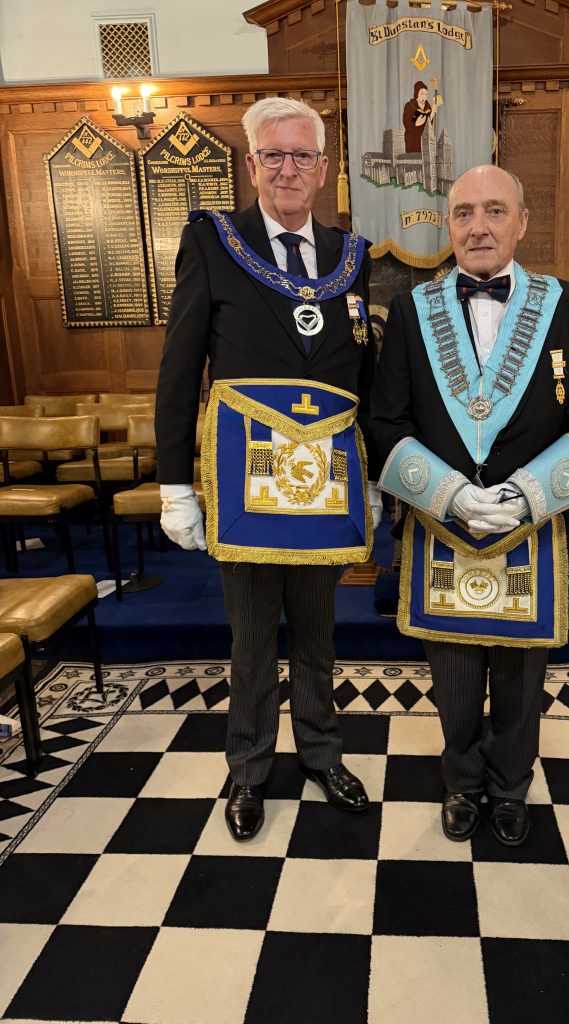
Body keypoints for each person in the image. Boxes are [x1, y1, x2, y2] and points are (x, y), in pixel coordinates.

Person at [155, 97, 381, 842]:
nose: (289, 168)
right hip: (244, 481)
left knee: (319, 631)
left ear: (324, 168)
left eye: (302, 155)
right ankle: (249, 768)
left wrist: (371, 476)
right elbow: (180, 369)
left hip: (327, 483)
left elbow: (363, 376)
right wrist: (175, 484)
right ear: (251, 165)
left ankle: (321, 753)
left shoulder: (352, 256)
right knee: (252, 638)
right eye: (274, 155)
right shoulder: (214, 241)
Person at [370, 165, 569, 846]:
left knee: (519, 677)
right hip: (439, 523)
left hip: (531, 526)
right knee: (451, 675)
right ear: (448, 225)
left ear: (523, 222)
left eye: (495, 211)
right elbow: (386, 420)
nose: (478, 226)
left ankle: (509, 785)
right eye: (464, 212)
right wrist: (447, 494)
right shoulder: (412, 312)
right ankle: (460, 781)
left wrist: (528, 495)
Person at [403, 81, 435, 153]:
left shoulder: (428, 106)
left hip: (424, 137)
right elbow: (406, 123)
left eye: (426, 94)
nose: (424, 97)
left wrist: (433, 112)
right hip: (412, 138)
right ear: (417, 93)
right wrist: (415, 123)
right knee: (413, 157)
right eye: (422, 94)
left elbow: (429, 123)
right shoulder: (409, 105)